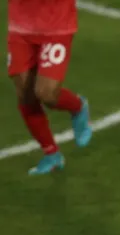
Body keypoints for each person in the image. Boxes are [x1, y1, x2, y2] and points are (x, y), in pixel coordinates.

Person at [7, 0, 93, 175]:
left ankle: (77, 107)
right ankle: (51, 154)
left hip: (56, 24)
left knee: (47, 93)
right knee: (25, 93)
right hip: (21, 24)